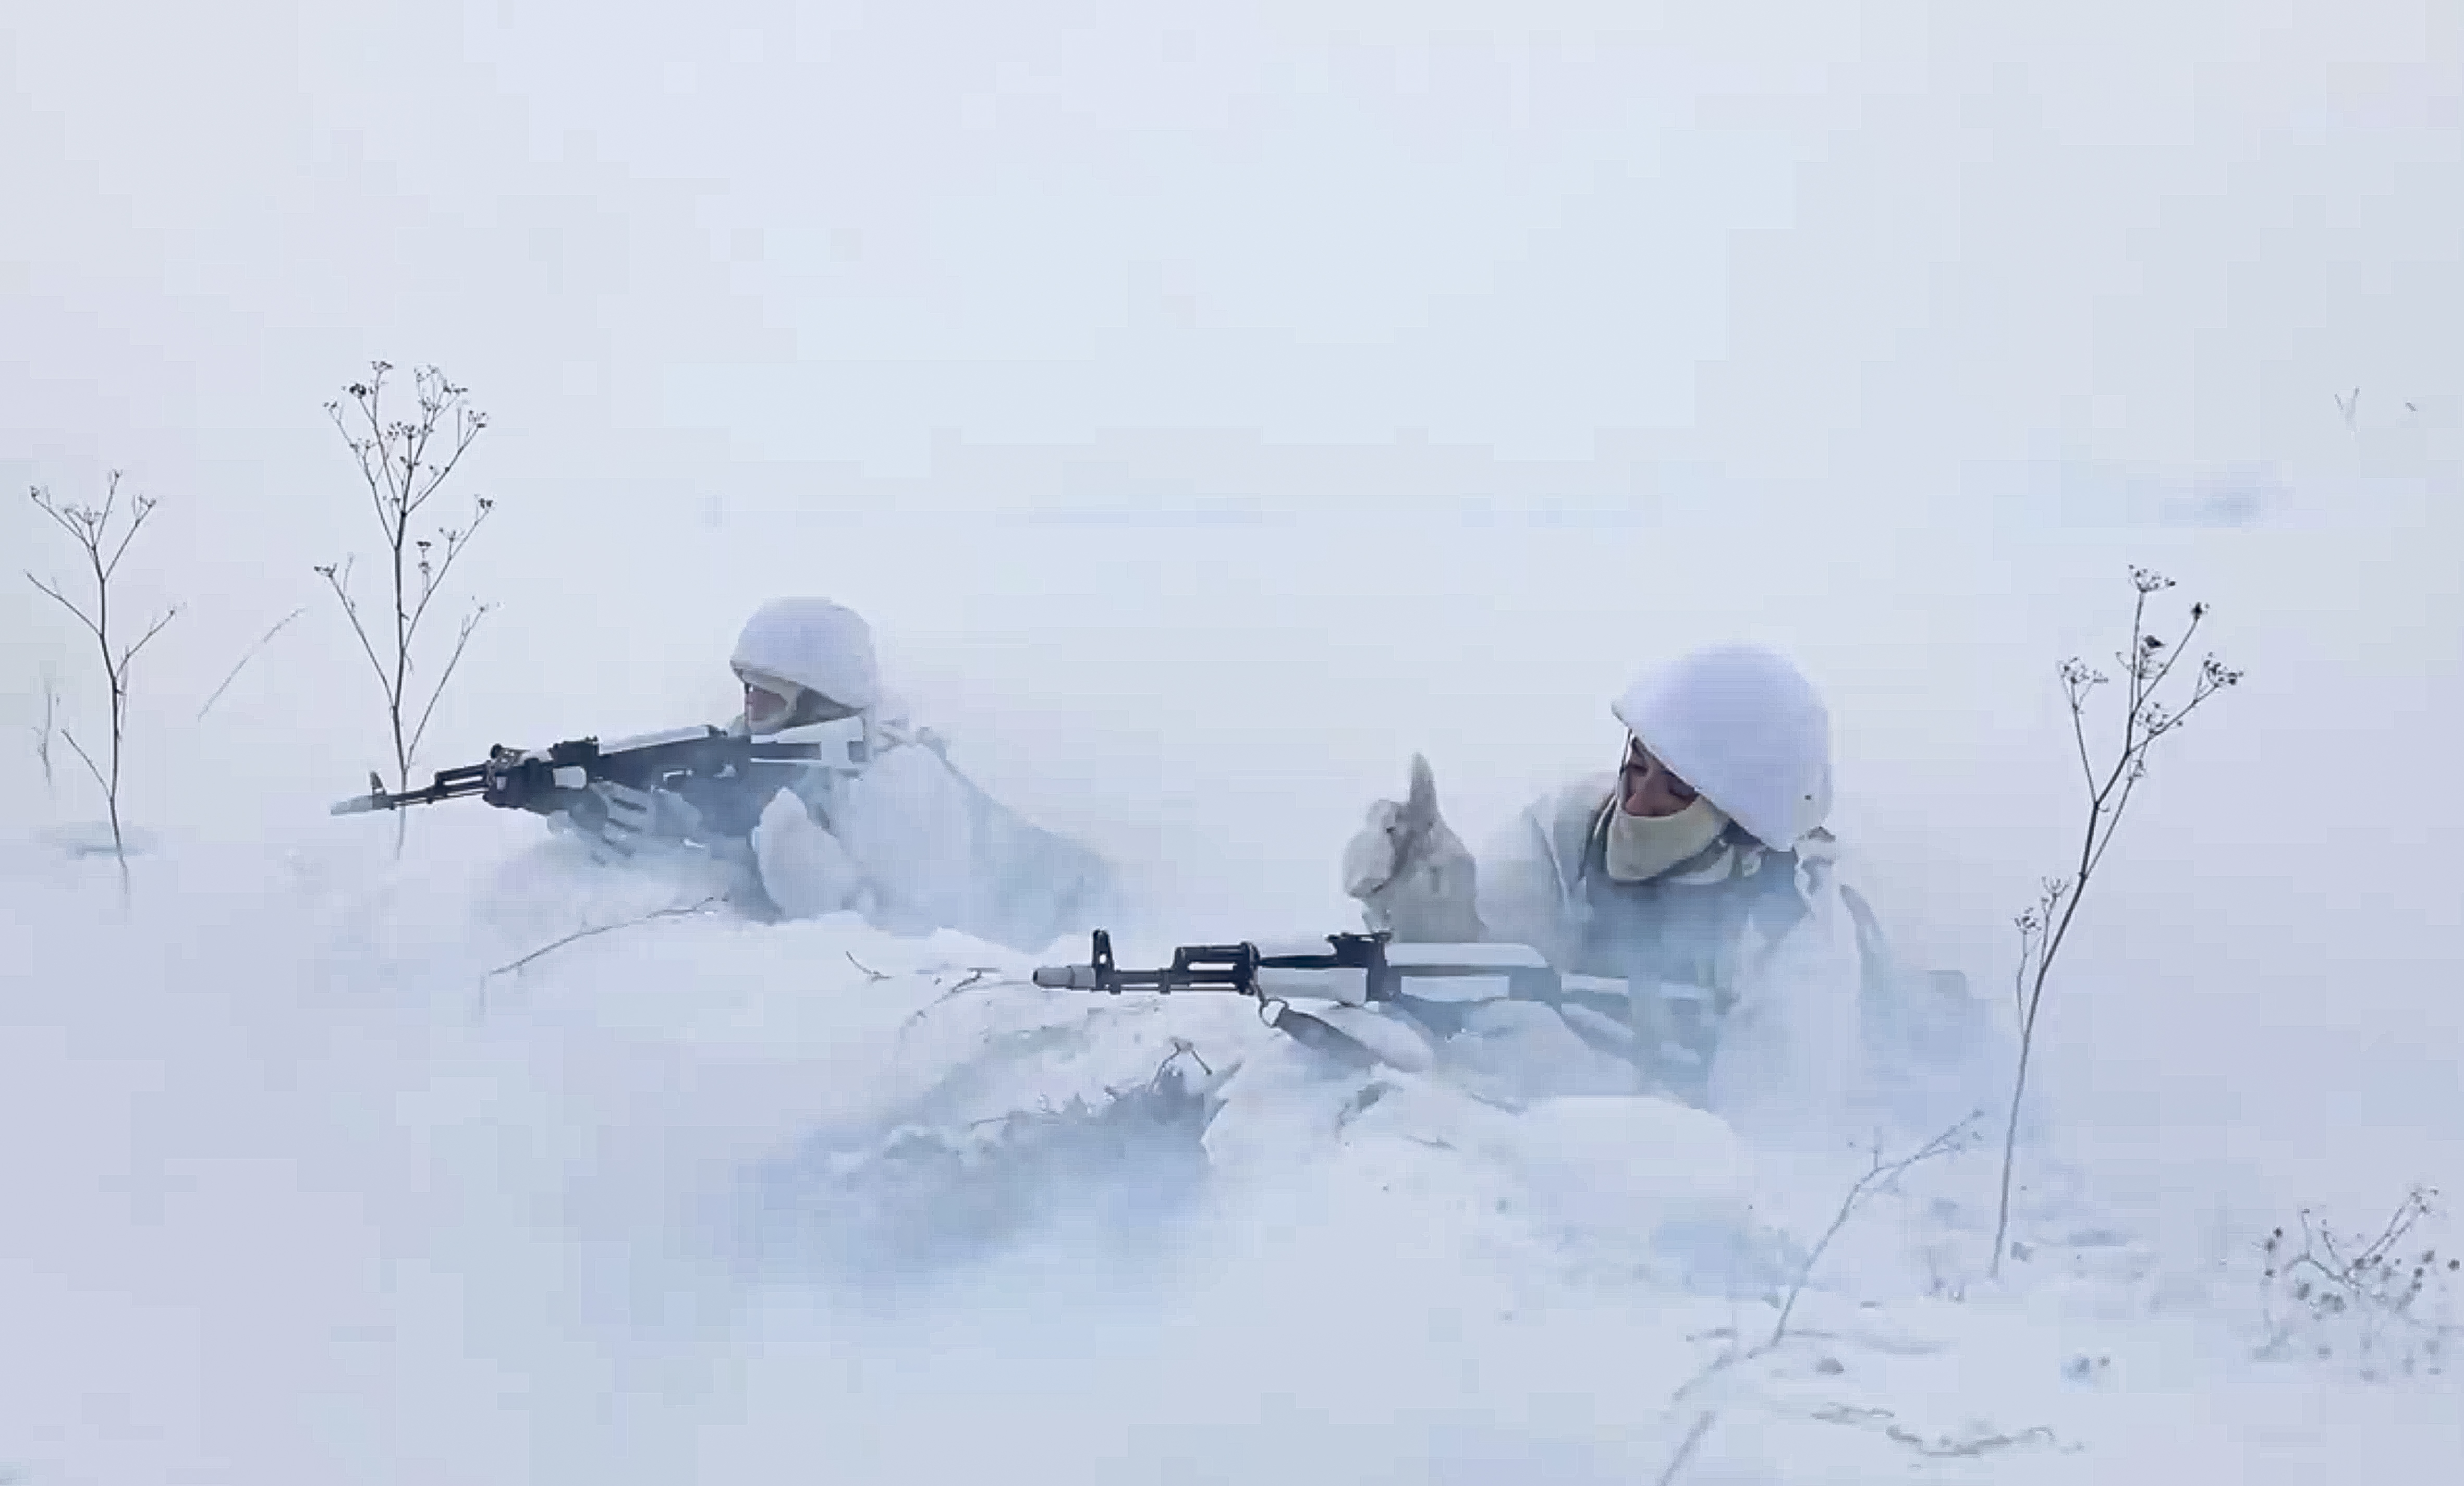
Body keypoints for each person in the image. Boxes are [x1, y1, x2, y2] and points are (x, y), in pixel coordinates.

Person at [1341, 642, 1905, 1110]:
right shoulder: (1568, 829)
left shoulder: (1795, 939)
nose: (1637, 801)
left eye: (1678, 791)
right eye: (1636, 766)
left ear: (1742, 822)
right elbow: (1488, 967)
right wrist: (1429, 915)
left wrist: (1583, 1089)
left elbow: (1764, 1158)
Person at [563, 597, 1116, 955]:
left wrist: (826, 890)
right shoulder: (787, 761)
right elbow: (737, 847)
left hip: (1076, 921)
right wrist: (663, 824)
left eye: (771, 696)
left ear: (821, 703)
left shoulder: (897, 781)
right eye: (747, 688)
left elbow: (929, 944)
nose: (751, 708)